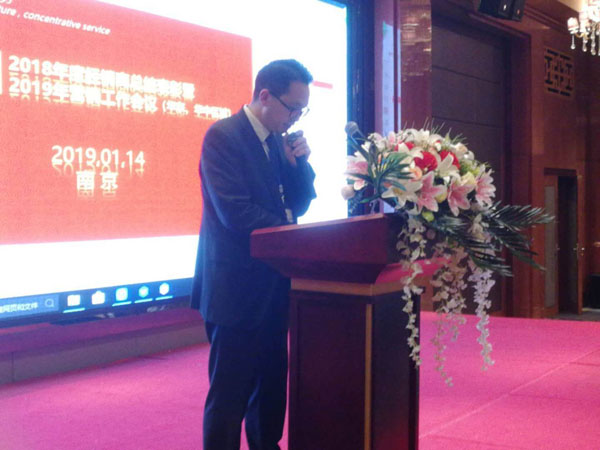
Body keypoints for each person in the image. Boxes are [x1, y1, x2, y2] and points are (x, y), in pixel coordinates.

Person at [192, 59, 316, 450]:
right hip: (235, 289)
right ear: (265, 96)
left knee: (271, 385)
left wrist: (300, 165)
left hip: (273, 285)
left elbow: (300, 203)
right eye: (292, 108)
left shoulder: (279, 142)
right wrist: (290, 230)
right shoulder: (223, 136)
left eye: (302, 110)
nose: (295, 118)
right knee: (230, 393)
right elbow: (236, 213)